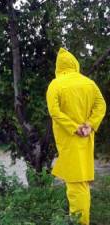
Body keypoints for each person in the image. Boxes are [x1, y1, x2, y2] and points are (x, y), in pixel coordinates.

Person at [46, 48, 106, 225]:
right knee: (81, 184)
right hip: (86, 139)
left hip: (69, 141)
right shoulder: (89, 83)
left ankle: (80, 222)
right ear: (75, 64)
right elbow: (101, 105)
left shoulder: (55, 85)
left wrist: (74, 127)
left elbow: (54, 112)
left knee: (76, 186)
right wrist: (90, 125)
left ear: (59, 67)